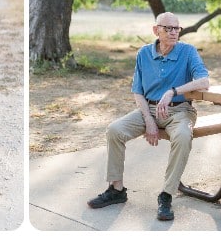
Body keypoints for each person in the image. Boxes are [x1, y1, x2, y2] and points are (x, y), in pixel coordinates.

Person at [87, 12, 209, 221]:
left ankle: (166, 195)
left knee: (182, 136)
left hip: (180, 111)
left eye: (176, 28)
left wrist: (172, 91)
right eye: (168, 28)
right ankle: (116, 189)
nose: (173, 32)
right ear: (156, 30)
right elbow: (137, 91)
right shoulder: (144, 54)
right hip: (148, 110)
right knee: (115, 130)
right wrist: (149, 121)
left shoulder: (187, 51)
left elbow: (204, 81)